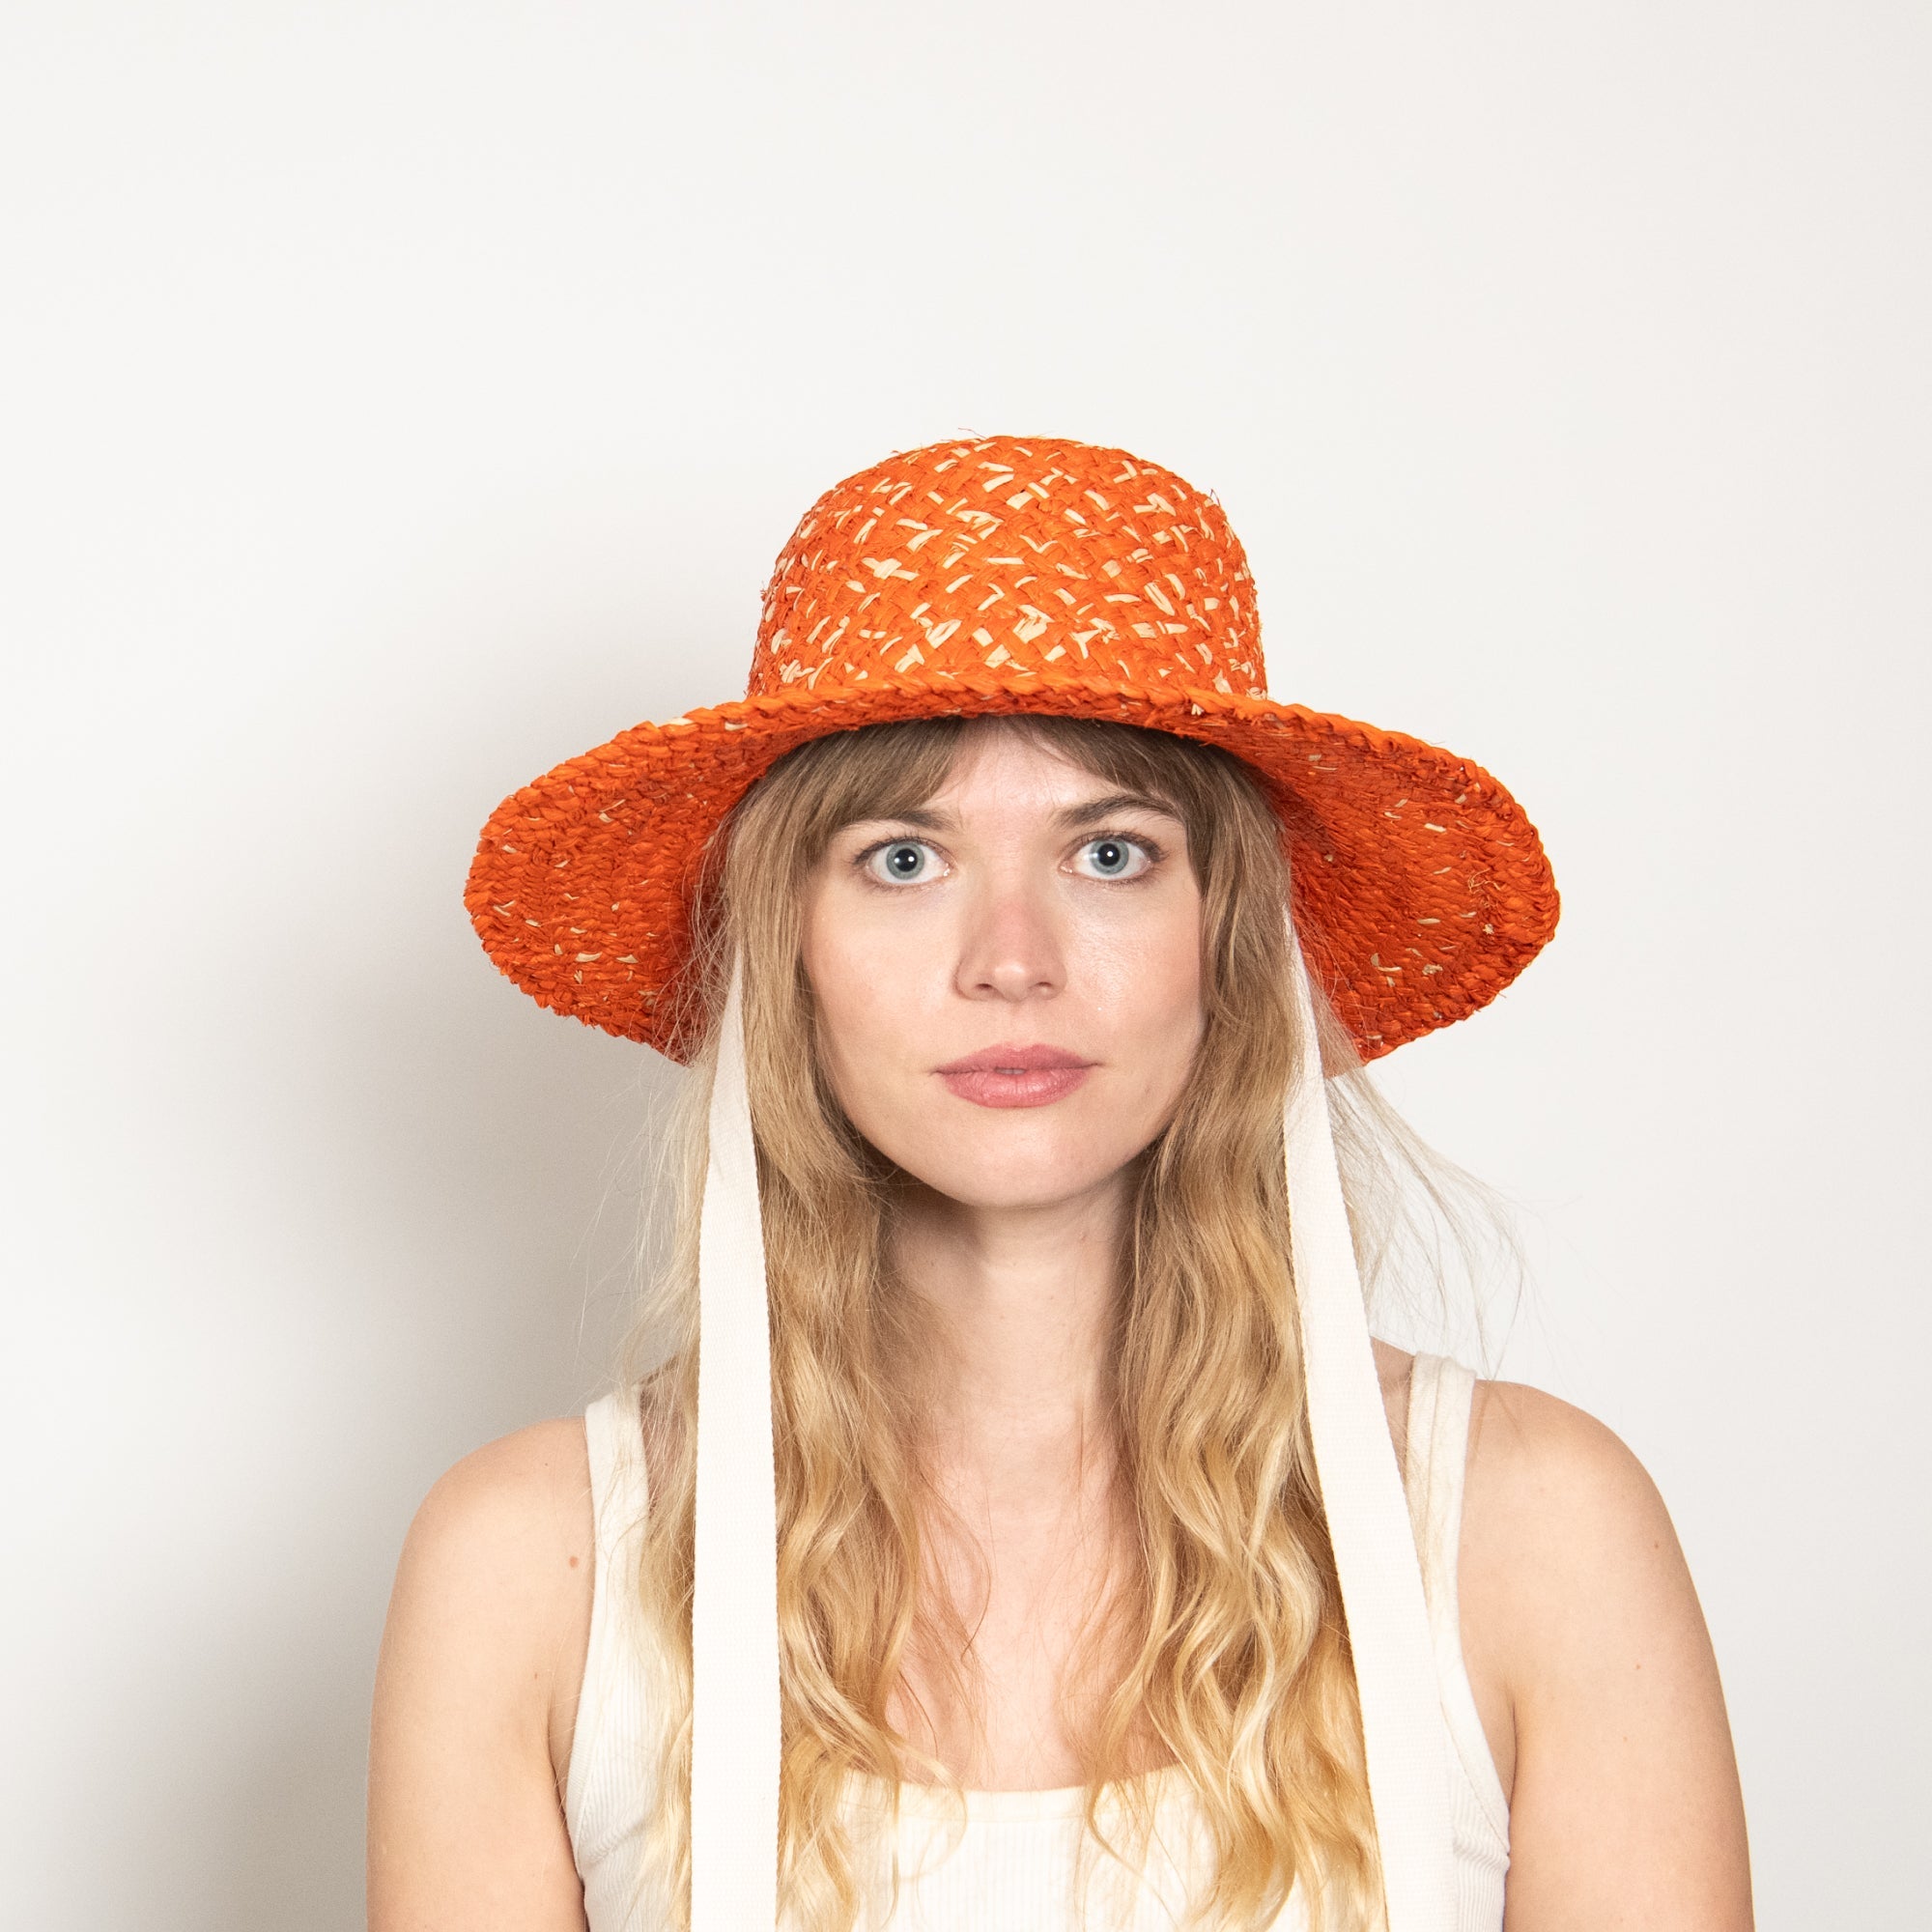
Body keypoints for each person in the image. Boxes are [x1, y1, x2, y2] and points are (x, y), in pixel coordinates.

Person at [366, 436, 1753, 1931]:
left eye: (1109, 851)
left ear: (1229, 941)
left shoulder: (1530, 1537)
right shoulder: (533, 1571)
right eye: (904, 859)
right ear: (787, 952)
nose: (1011, 958)